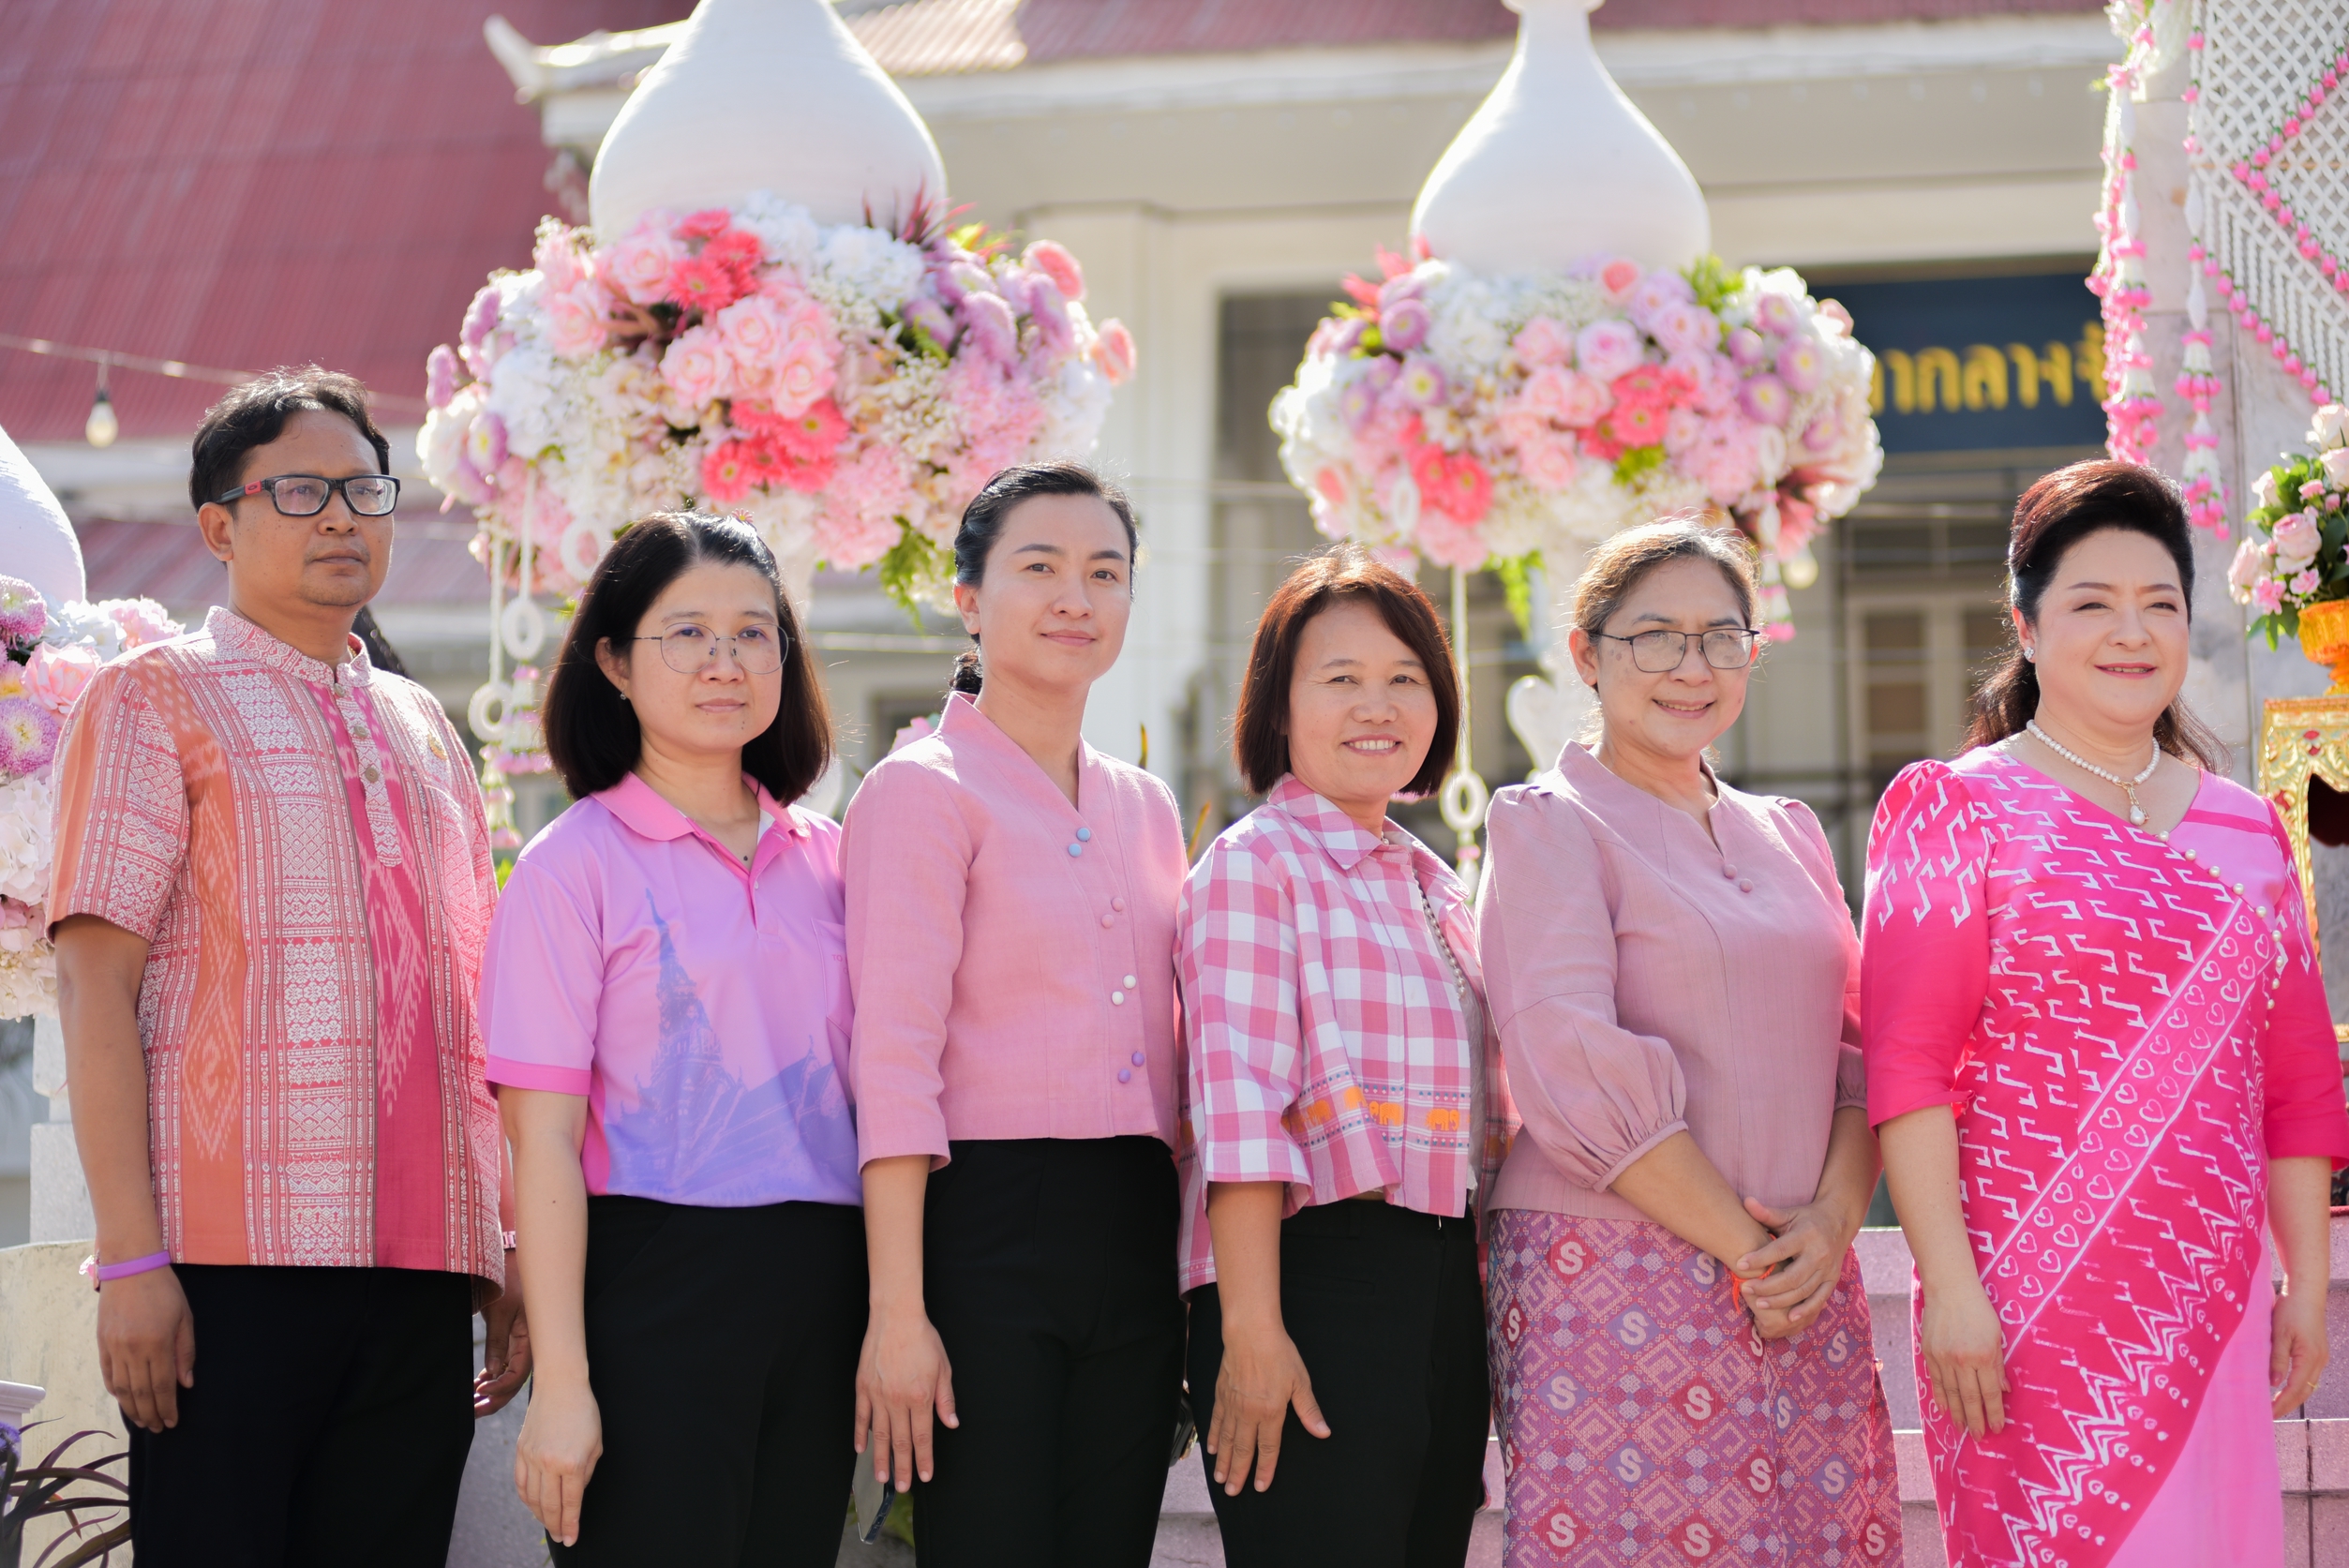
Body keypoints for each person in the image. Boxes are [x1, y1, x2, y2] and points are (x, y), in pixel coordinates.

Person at [48, 367, 524, 1567]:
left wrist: (500, 1241)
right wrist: (135, 1260)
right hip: (226, 1267)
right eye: (301, 490)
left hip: (424, 1270)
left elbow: (472, 1006)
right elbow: (94, 984)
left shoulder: (427, 731)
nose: (342, 518)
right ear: (220, 525)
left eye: (366, 489)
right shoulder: (154, 699)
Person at [1863, 460, 2349, 1567]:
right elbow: (1907, 1064)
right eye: (2091, 603)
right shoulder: (1955, 807)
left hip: (2210, 1299)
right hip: (2025, 1310)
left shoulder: (2245, 828)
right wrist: (1948, 1289)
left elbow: (2293, 1081)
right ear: (2026, 627)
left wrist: (2306, 1284)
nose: (2130, 633)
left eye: (2160, 604)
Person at [1478, 516, 1899, 1565]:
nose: (1691, 666)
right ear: (1586, 652)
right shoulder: (1550, 820)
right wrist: (1755, 1251)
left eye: (1721, 636)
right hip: (1614, 1272)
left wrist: (1833, 1223)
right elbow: (1565, 1059)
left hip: (1803, 1278)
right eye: (1654, 636)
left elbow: (1857, 1048)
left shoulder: (1791, 828)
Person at [483, 513, 863, 1564]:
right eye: (685, 632)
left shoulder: (839, 859)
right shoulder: (572, 867)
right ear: (611, 658)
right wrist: (563, 1385)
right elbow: (541, 1142)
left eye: (754, 633)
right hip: (654, 1283)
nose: (724, 661)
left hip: (830, 1286)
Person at [845, 461, 1189, 1567]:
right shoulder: (921, 788)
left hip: (1133, 1226)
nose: (1074, 597)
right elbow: (891, 1060)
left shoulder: (1147, 804)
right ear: (968, 597)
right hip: (983, 1226)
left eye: (1105, 571)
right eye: (1038, 567)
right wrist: (899, 1313)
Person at [1178, 545, 1513, 1568]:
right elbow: (1237, 1116)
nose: (1379, 704)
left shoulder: (1432, 883)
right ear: (1279, 708)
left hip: (1441, 1282)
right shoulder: (1254, 864)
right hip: (1311, 1280)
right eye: (1341, 679)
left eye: (1405, 678)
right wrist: (1251, 1332)